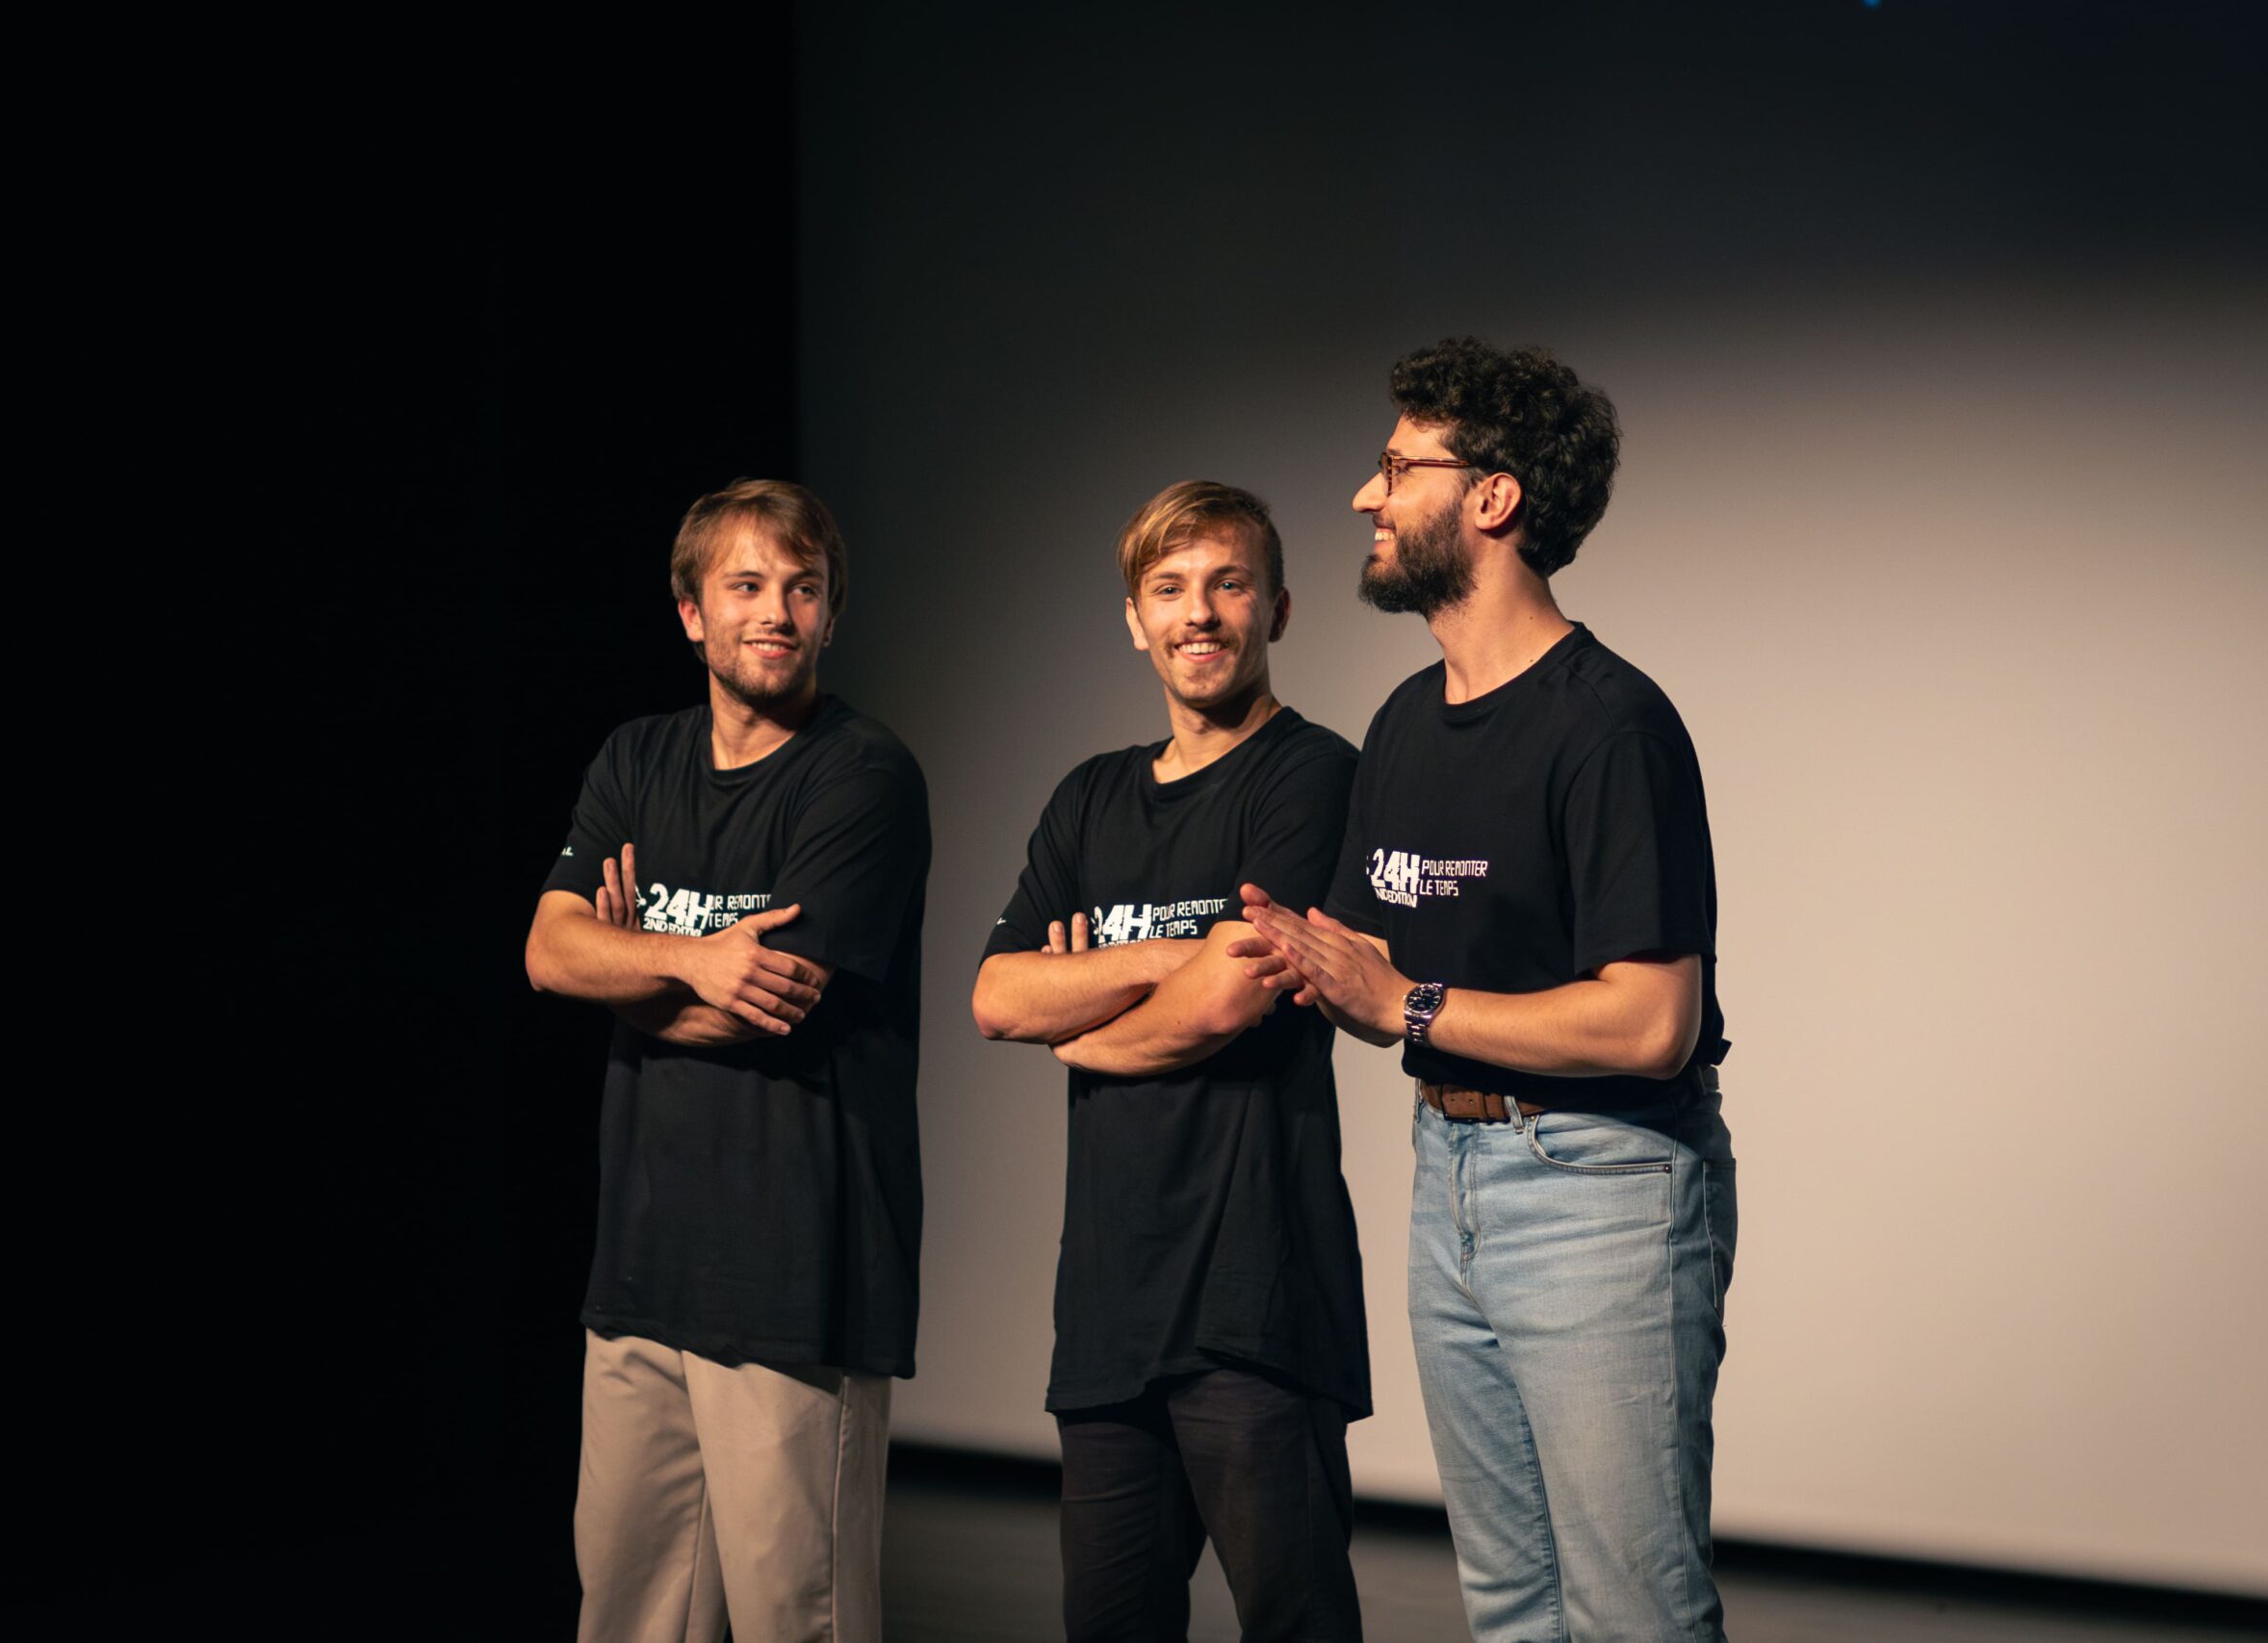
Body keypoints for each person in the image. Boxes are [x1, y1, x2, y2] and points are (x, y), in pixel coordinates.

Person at [1234, 338, 1737, 1642]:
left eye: (1400, 464)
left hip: (1599, 1185)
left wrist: (1408, 1002)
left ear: (1493, 498)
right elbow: (1330, 948)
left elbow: (1652, 1018)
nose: (1365, 493)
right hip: (1449, 1175)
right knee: (1511, 1603)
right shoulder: (1407, 720)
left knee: (1634, 1610)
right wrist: (1101, 968)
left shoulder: (1610, 725)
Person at [524, 477, 931, 1643]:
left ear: (830, 615)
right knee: (625, 1612)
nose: (775, 611)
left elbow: (772, 1007)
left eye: (803, 589)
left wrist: (635, 969)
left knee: (793, 1618)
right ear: (692, 613)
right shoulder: (635, 759)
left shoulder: (863, 776)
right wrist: (695, 961)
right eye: (745, 585)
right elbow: (548, 951)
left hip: (796, 1278)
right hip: (642, 1272)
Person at [971, 481, 1369, 1642]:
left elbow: (1237, 992)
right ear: (1134, 621)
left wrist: (1082, 1020)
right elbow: (997, 997)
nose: (1199, 615)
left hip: (1256, 1301)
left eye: (1228, 584)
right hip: (1106, 1308)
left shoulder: (1310, 773)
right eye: (1169, 590)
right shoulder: (1089, 796)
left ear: (1279, 610)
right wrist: (1181, 958)